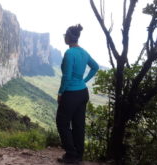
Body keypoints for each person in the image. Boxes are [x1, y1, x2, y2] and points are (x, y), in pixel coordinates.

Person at [56, 24, 99, 164]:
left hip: (71, 94)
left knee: (62, 123)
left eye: (65, 35)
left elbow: (66, 77)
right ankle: (79, 155)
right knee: (78, 124)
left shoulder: (69, 53)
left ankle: (71, 154)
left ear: (68, 37)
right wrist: (83, 80)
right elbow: (95, 67)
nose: (64, 37)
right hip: (82, 93)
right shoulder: (84, 52)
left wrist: (61, 93)